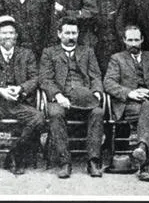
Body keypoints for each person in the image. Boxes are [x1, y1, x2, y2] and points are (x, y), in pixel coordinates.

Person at [0, 16, 44, 174]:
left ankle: (15, 154)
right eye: (3, 33)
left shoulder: (27, 54)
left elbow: (36, 78)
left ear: (16, 35)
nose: (8, 36)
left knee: (38, 118)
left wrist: (20, 88)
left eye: (11, 33)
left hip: (20, 103)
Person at [39, 16, 105, 178]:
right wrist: (58, 95)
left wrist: (96, 91)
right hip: (60, 99)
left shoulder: (87, 51)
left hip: (85, 98)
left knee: (98, 113)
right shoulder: (49, 53)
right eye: (67, 33)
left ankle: (93, 161)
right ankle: (64, 162)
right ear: (59, 34)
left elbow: (96, 76)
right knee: (55, 114)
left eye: (74, 33)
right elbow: (45, 79)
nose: (71, 37)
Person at [103, 25, 149, 182]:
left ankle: (142, 149)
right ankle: (145, 165)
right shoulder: (117, 58)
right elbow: (109, 82)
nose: (133, 43)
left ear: (142, 40)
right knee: (148, 115)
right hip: (128, 105)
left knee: (148, 107)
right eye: (130, 40)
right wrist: (129, 93)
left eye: (136, 40)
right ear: (124, 40)